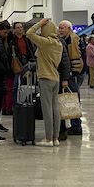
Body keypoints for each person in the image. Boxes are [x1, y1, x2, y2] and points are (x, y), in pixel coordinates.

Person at [27, 18, 70, 147]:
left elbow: (29, 33)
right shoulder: (58, 44)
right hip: (56, 78)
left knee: (47, 110)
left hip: (45, 78)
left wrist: (39, 24)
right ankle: (56, 138)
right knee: (55, 109)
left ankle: (48, 138)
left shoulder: (45, 42)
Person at [58, 20, 85, 136]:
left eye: (62, 28)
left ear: (69, 29)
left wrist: (70, 73)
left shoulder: (71, 39)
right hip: (74, 74)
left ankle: (76, 126)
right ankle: (75, 125)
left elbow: (74, 57)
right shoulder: (70, 38)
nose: (60, 30)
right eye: (59, 28)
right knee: (73, 98)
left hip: (73, 74)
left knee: (73, 99)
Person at [0, 21, 15, 116]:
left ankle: (6, 107)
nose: (6, 32)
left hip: (7, 67)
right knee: (7, 89)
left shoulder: (9, 39)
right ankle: (6, 107)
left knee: (7, 89)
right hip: (5, 68)